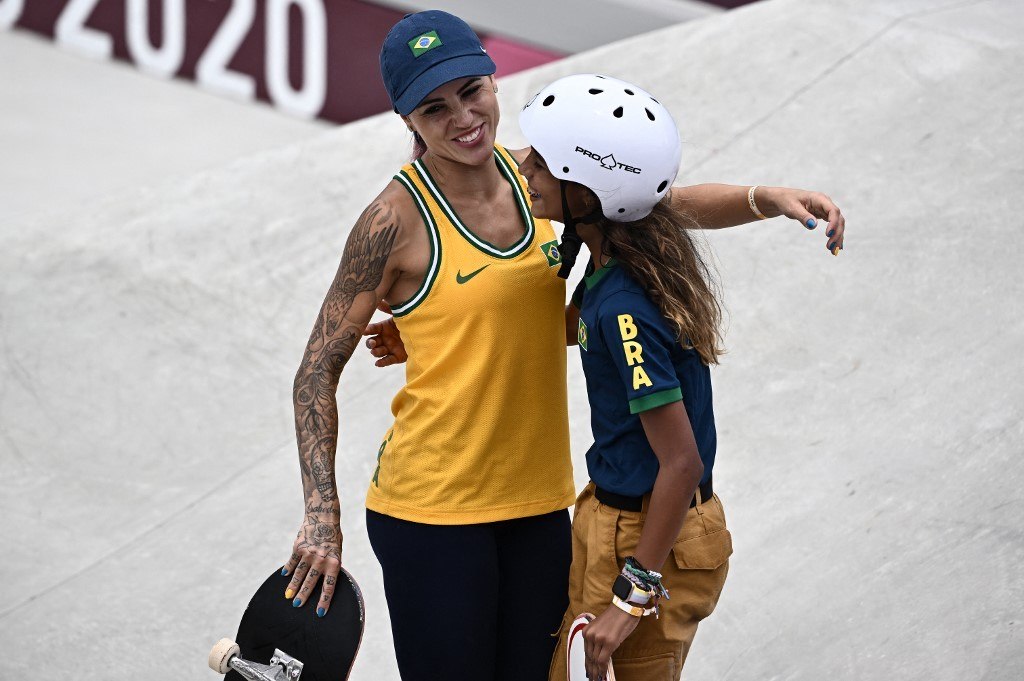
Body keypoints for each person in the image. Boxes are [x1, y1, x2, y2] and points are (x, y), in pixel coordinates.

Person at [284, 10, 846, 681]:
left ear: (495, 81)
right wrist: (322, 516)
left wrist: (765, 197)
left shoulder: (535, 175)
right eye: (434, 109)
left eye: (471, 90)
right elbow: (315, 372)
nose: (463, 117)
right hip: (431, 513)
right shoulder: (392, 221)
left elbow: (646, 200)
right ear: (407, 121)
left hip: (543, 507)